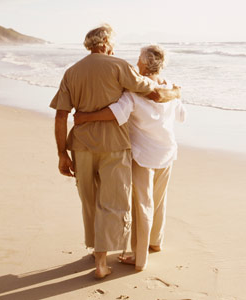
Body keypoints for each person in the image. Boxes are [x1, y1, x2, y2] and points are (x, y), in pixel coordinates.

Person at [50, 24, 179, 279]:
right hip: (115, 146)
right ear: (107, 42)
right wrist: (175, 91)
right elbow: (152, 92)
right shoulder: (120, 66)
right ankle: (101, 260)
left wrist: (62, 154)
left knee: (90, 199)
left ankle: (96, 248)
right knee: (113, 201)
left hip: (81, 147)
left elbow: (61, 116)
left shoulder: (71, 72)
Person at [74, 44, 186, 272]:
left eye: (139, 59)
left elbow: (115, 113)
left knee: (143, 204)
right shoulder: (169, 87)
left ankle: (140, 257)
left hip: (143, 155)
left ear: (144, 63)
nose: (136, 63)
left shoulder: (134, 91)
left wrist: (85, 116)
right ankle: (155, 242)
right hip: (167, 150)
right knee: (159, 199)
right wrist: (176, 93)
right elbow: (182, 116)